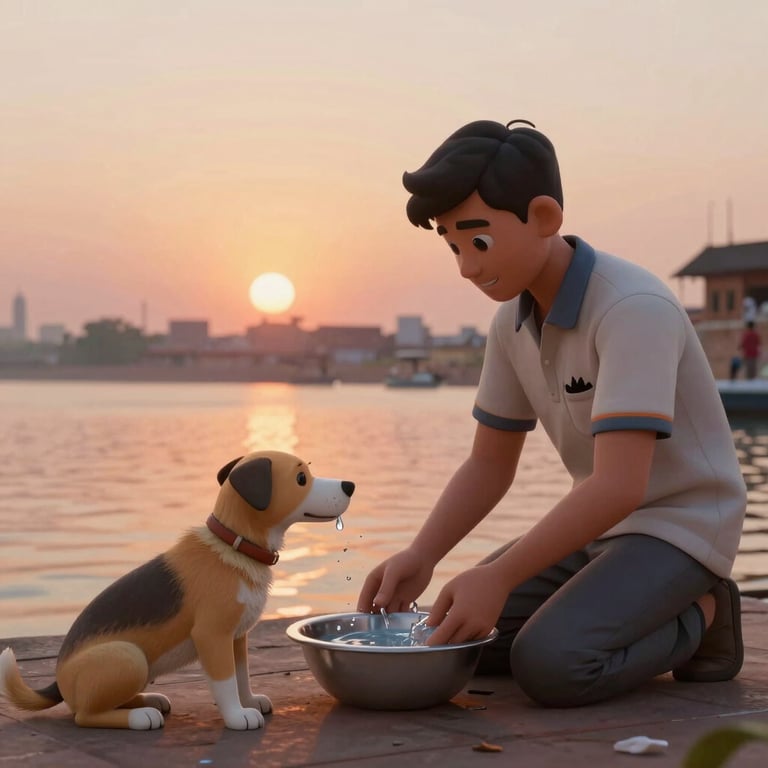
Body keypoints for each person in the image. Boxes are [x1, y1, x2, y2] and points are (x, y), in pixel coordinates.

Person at [358, 119, 747, 707]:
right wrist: (421, 555)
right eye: (453, 245)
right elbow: (489, 465)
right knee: (457, 640)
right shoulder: (509, 320)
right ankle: (618, 601)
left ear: (544, 217)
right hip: (601, 530)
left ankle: (707, 611)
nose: (466, 266)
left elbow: (620, 484)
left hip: (681, 529)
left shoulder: (632, 308)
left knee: (553, 666)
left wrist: (500, 575)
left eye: (478, 241)